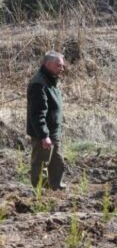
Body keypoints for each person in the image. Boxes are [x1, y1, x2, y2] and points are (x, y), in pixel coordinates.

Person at [26, 51, 67, 190]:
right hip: (44, 135)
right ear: (48, 64)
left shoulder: (51, 80)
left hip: (54, 133)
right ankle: (40, 193)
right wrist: (44, 135)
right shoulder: (39, 84)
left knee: (57, 163)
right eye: (59, 65)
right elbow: (37, 113)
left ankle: (56, 189)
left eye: (62, 65)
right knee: (41, 164)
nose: (62, 68)